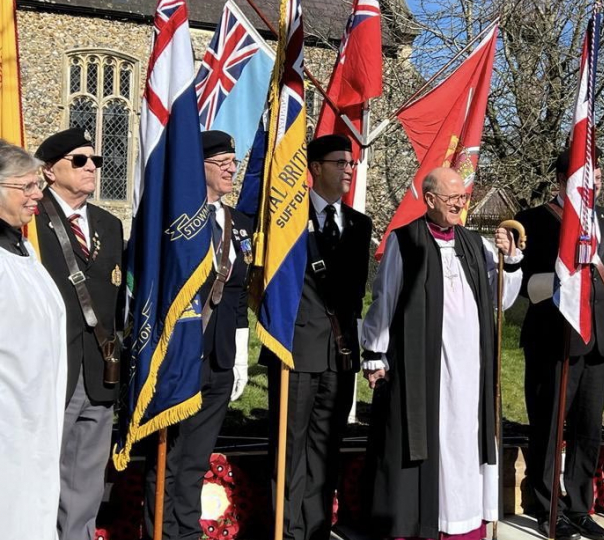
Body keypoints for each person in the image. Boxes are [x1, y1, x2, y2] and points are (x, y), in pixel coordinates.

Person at [361, 166, 522, 539]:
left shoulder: (473, 243)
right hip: (426, 365)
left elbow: (502, 299)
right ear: (430, 199)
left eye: (463, 198)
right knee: (430, 438)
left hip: (470, 368)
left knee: (465, 439)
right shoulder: (406, 242)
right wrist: (374, 352)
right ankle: (423, 519)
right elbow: (385, 299)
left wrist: (510, 262)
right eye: (452, 199)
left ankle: (463, 521)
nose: (459, 204)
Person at [259, 134, 372, 540]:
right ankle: (286, 529)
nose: (348, 171)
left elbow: (356, 294)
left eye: (351, 164)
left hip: (337, 354)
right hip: (295, 348)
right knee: (290, 448)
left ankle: (317, 526)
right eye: (340, 163)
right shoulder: (289, 216)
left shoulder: (360, 225)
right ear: (317, 167)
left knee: (326, 447)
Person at [144, 130, 252, 539]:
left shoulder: (238, 223)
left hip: (221, 355)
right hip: (177, 354)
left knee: (196, 456)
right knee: (168, 456)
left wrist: (240, 349)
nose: (231, 170)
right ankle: (158, 531)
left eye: (233, 162)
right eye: (222, 163)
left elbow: (238, 291)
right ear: (199, 168)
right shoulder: (172, 221)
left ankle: (185, 532)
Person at [514, 150, 604, 540]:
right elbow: (525, 288)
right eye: (584, 172)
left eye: (596, 171)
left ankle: (580, 505)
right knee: (548, 426)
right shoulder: (534, 220)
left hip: (599, 341)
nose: (592, 179)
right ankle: (547, 507)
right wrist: (564, 279)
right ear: (562, 179)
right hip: (554, 338)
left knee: (588, 428)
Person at [32, 128, 124, 540]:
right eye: (80, 160)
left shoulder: (108, 223)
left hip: (99, 370)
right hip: (50, 369)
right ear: (50, 171)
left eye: (96, 160)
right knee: (40, 472)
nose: (92, 168)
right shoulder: (30, 220)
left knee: (86, 476)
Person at [0, 141, 67, 540]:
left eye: (36, 185)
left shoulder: (22, 247)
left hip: (36, 420)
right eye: (25, 186)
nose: (37, 194)